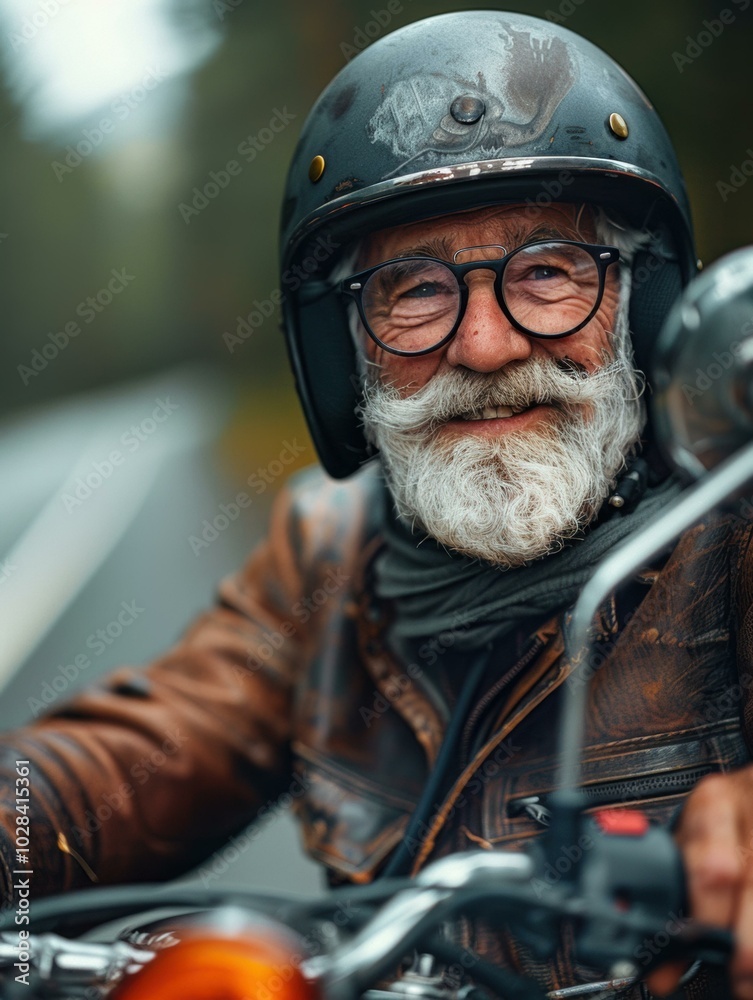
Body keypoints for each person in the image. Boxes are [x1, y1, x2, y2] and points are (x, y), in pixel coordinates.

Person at [1, 9, 752, 999]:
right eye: (415, 291)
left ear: (645, 309)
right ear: (340, 350)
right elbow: (126, 761)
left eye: (547, 271)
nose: (484, 345)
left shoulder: (728, 539)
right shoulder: (327, 558)